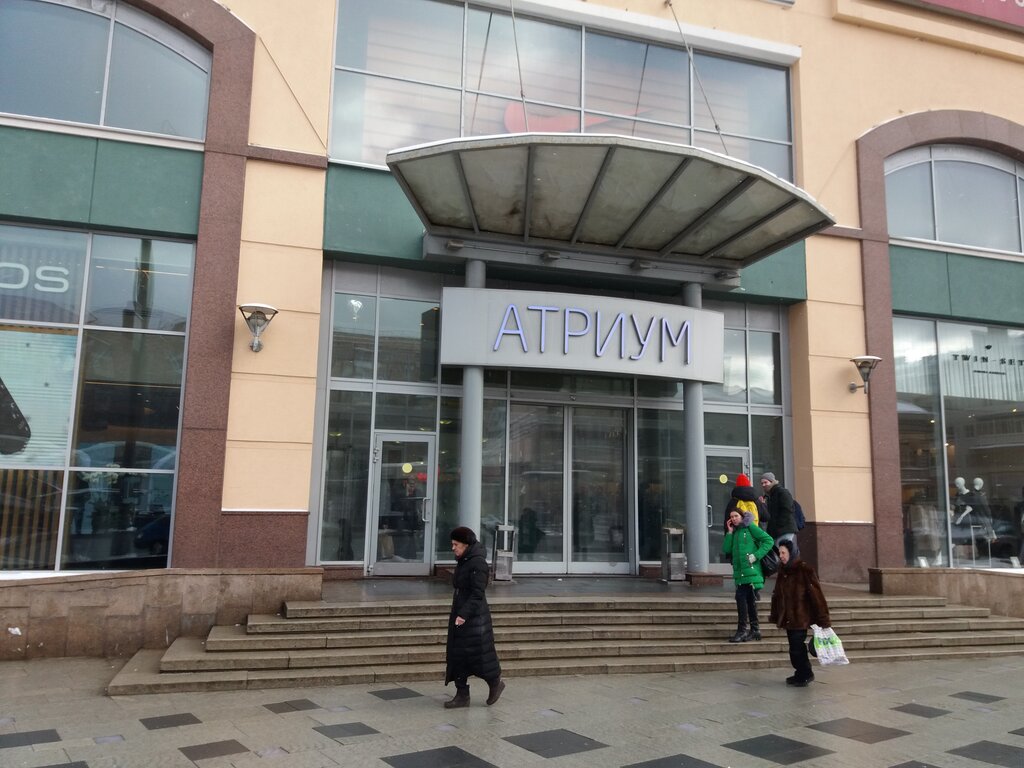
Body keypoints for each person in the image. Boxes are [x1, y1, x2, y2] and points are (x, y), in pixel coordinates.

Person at [443, 526, 505, 708]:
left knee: (479, 656)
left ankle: (495, 682)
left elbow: (478, 593)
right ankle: (462, 694)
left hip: (475, 619)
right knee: (457, 656)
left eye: (456, 544)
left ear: (466, 544)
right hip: (461, 614)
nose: (453, 548)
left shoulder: (477, 563)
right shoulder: (464, 560)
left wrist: (464, 614)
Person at [769, 539, 831, 687]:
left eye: (783, 553)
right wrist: (777, 614)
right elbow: (777, 595)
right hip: (788, 618)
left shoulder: (804, 570)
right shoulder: (783, 571)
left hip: (800, 617)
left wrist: (823, 620)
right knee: (794, 648)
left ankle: (806, 673)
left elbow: (817, 596)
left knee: (797, 648)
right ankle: (800, 673)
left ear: (791, 553)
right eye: (780, 553)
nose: (781, 556)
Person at [721, 508, 774, 643]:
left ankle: (742, 631)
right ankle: (755, 630)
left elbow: (768, 540)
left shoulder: (750, 527)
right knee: (750, 602)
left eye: (736, 516)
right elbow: (726, 549)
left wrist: (756, 555)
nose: (734, 519)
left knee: (742, 600)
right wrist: (729, 532)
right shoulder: (735, 532)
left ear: (742, 516)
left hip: (751, 573)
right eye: (731, 517)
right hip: (741, 574)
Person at [761, 472, 798, 556]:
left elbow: (788, 509)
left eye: (765, 482)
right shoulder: (770, 495)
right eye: (762, 483)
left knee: (784, 553)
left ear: (772, 481)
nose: (763, 485)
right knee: (780, 554)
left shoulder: (782, 492)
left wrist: (779, 524)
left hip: (784, 529)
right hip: (777, 530)